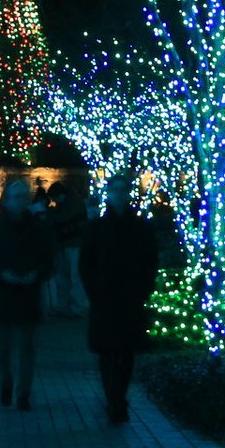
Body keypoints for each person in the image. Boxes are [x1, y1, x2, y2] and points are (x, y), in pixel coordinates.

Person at [79, 174, 160, 424]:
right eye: (115, 190)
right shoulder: (97, 228)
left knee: (125, 353)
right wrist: (94, 291)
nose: (119, 195)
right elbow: (86, 264)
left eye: (123, 190)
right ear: (109, 194)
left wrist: (142, 291)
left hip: (129, 298)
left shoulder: (141, 228)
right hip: (105, 298)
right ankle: (112, 398)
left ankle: (118, 398)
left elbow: (150, 263)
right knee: (107, 352)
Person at [0, 178, 54, 411]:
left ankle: (24, 393)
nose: (17, 202)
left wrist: (36, 274)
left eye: (22, 197)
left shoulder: (38, 229)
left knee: (27, 347)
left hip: (28, 295)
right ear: (7, 200)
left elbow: (49, 261)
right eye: (13, 197)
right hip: (4, 295)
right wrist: (0, 274)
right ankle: (6, 383)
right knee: (3, 347)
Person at [45, 179, 86, 316]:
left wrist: (50, 213)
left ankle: (77, 307)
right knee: (61, 277)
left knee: (75, 277)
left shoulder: (74, 202)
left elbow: (62, 217)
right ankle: (63, 306)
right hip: (63, 245)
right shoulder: (63, 204)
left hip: (75, 244)